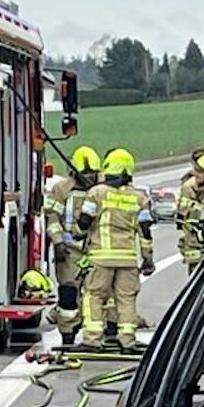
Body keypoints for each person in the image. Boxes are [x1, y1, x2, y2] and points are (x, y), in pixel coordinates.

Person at [75, 148, 156, 351]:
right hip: (127, 259)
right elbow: (145, 232)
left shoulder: (96, 193)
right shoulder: (139, 198)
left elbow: (84, 222)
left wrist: (79, 232)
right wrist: (147, 259)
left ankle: (92, 339)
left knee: (94, 296)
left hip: (101, 257)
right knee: (126, 298)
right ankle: (127, 339)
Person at [42, 145, 101, 340]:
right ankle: (67, 334)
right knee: (68, 294)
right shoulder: (61, 189)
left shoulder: (102, 190)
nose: (90, 177)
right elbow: (52, 218)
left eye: (93, 173)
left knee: (97, 294)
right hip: (69, 253)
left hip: (95, 250)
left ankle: (97, 335)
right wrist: (58, 243)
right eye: (86, 173)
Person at [176, 149, 204, 270]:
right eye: (194, 169)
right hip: (193, 250)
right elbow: (182, 218)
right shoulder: (188, 188)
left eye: (199, 171)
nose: (195, 174)